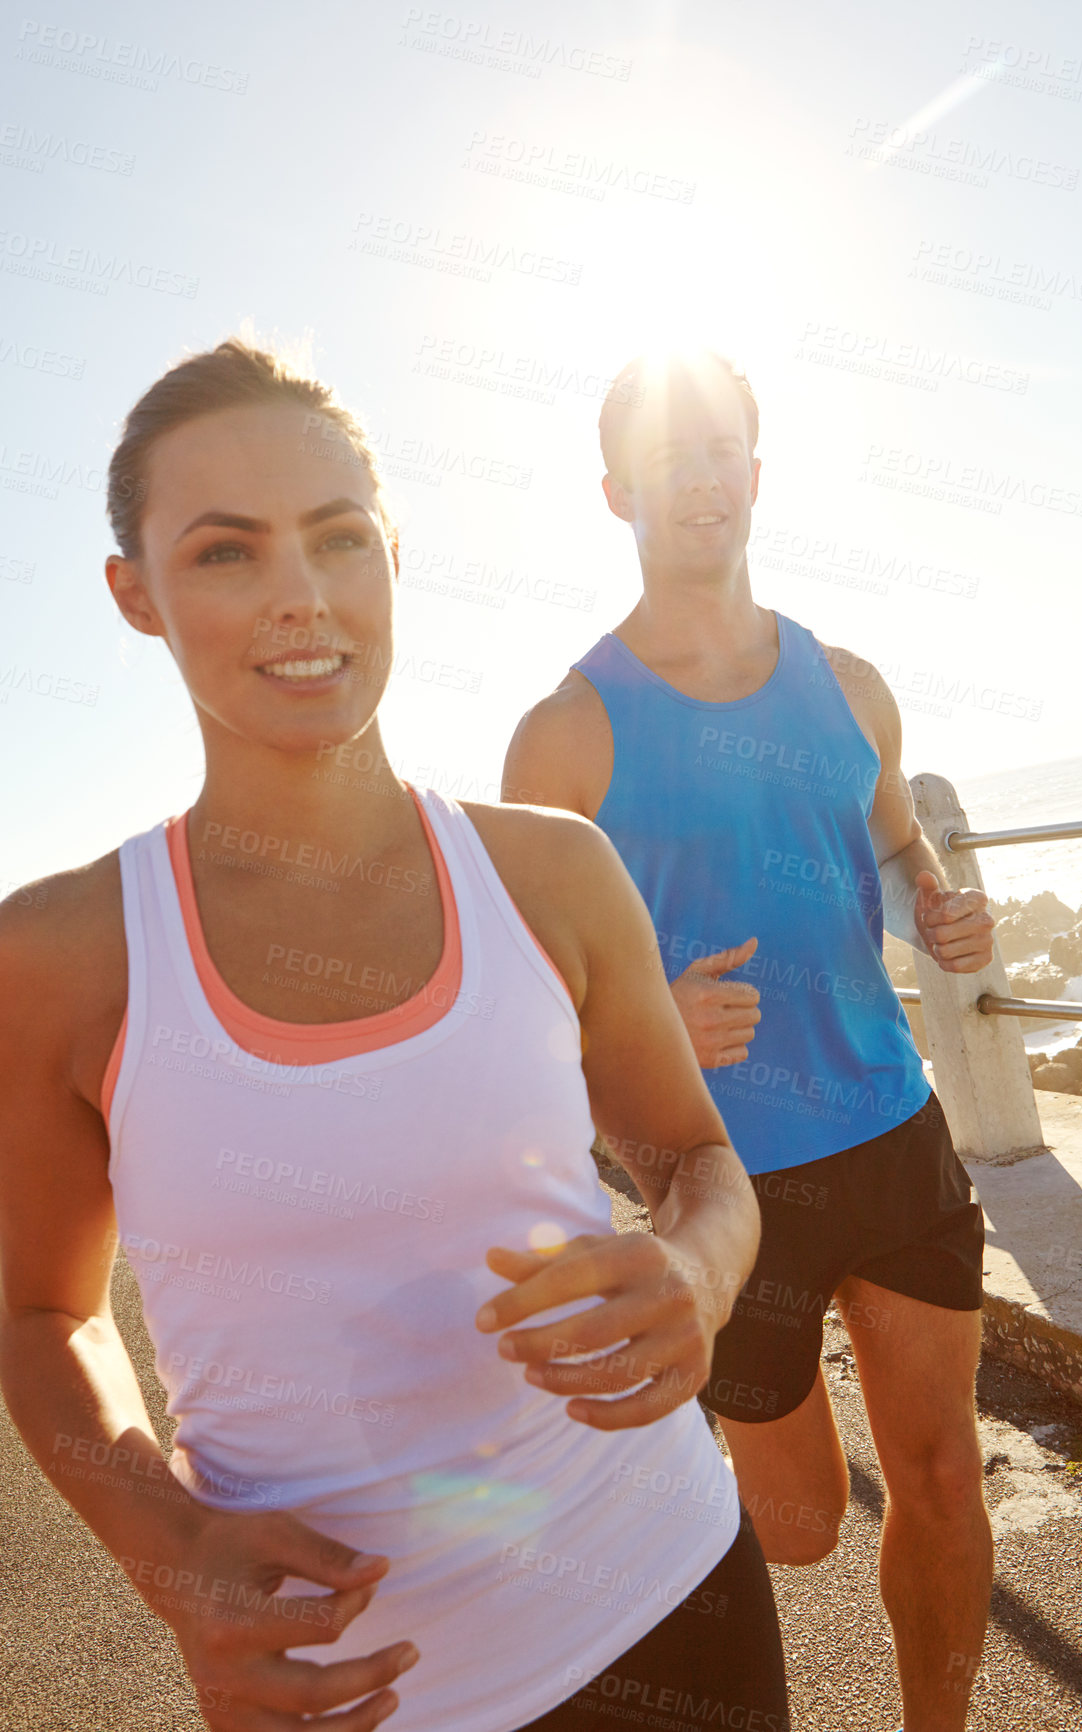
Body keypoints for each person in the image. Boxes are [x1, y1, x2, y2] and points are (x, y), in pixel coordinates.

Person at [0, 340, 791, 1732]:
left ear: (393, 555)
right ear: (136, 594)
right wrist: (170, 1556)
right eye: (226, 554)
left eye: (339, 537)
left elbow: (695, 1162)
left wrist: (696, 1274)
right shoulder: (58, 953)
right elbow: (41, 1315)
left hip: (670, 1589)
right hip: (341, 1691)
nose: (302, 597)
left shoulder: (551, 872)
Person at [502, 348, 997, 1732]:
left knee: (944, 1474)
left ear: (756, 473)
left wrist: (933, 908)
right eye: (665, 457)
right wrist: (648, 1016)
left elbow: (893, 844)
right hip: (722, 1183)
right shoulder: (565, 733)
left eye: (719, 447)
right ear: (616, 493)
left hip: (893, 1133)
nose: (698, 478)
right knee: (797, 1528)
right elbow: (528, 999)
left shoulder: (848, 685)